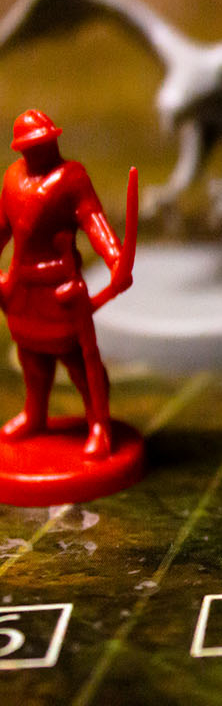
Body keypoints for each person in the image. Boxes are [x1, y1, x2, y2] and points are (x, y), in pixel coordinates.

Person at [0, 110, 132, 459]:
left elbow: (94, 222)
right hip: (23, 286)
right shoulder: (12, 179)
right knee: (31, 357)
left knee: (78, 360)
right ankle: (35, 415)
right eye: (33, 144)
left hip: (60, 288)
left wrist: (116, 259)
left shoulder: (72, 178)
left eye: (44, 142)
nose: (41, 148)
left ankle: (98, 423)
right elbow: (2, 228)